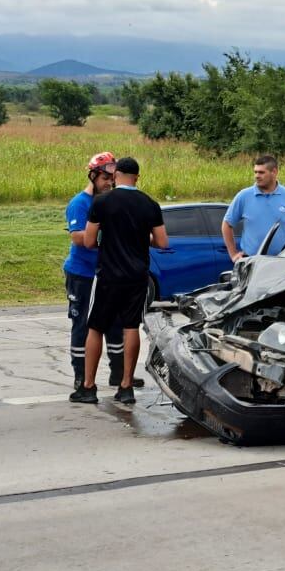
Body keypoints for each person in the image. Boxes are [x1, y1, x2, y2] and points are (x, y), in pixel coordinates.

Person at [70, 157, 168, 405]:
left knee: (96, 328)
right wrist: (140, 238)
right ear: (137, 177)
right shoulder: (149, 204)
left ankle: (88, 386)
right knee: (130, 327)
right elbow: (162, 242)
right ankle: (126, 386)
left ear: (117, 175)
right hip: (137, 276)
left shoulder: (102, 202)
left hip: (108, 275)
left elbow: (90, 241)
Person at [63, 152, 129, 391]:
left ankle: (118, 373)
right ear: (93, 176)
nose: (109, 183)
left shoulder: (114, 200)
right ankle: (81, 378)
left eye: (112, 179)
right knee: (82, 325)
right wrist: (106, 235)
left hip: (109, 273)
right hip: (83, 274)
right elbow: (79, 238)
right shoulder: (80, 203)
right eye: (104, 178)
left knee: (115, 323)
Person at [222, 154, 285, 259]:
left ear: (274, 172)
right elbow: (227, 224)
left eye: (261, 172)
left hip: (282, 261)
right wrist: (233, 254)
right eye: (255, 172)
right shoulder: (243, 196)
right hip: (252, 261)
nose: (257, 176)